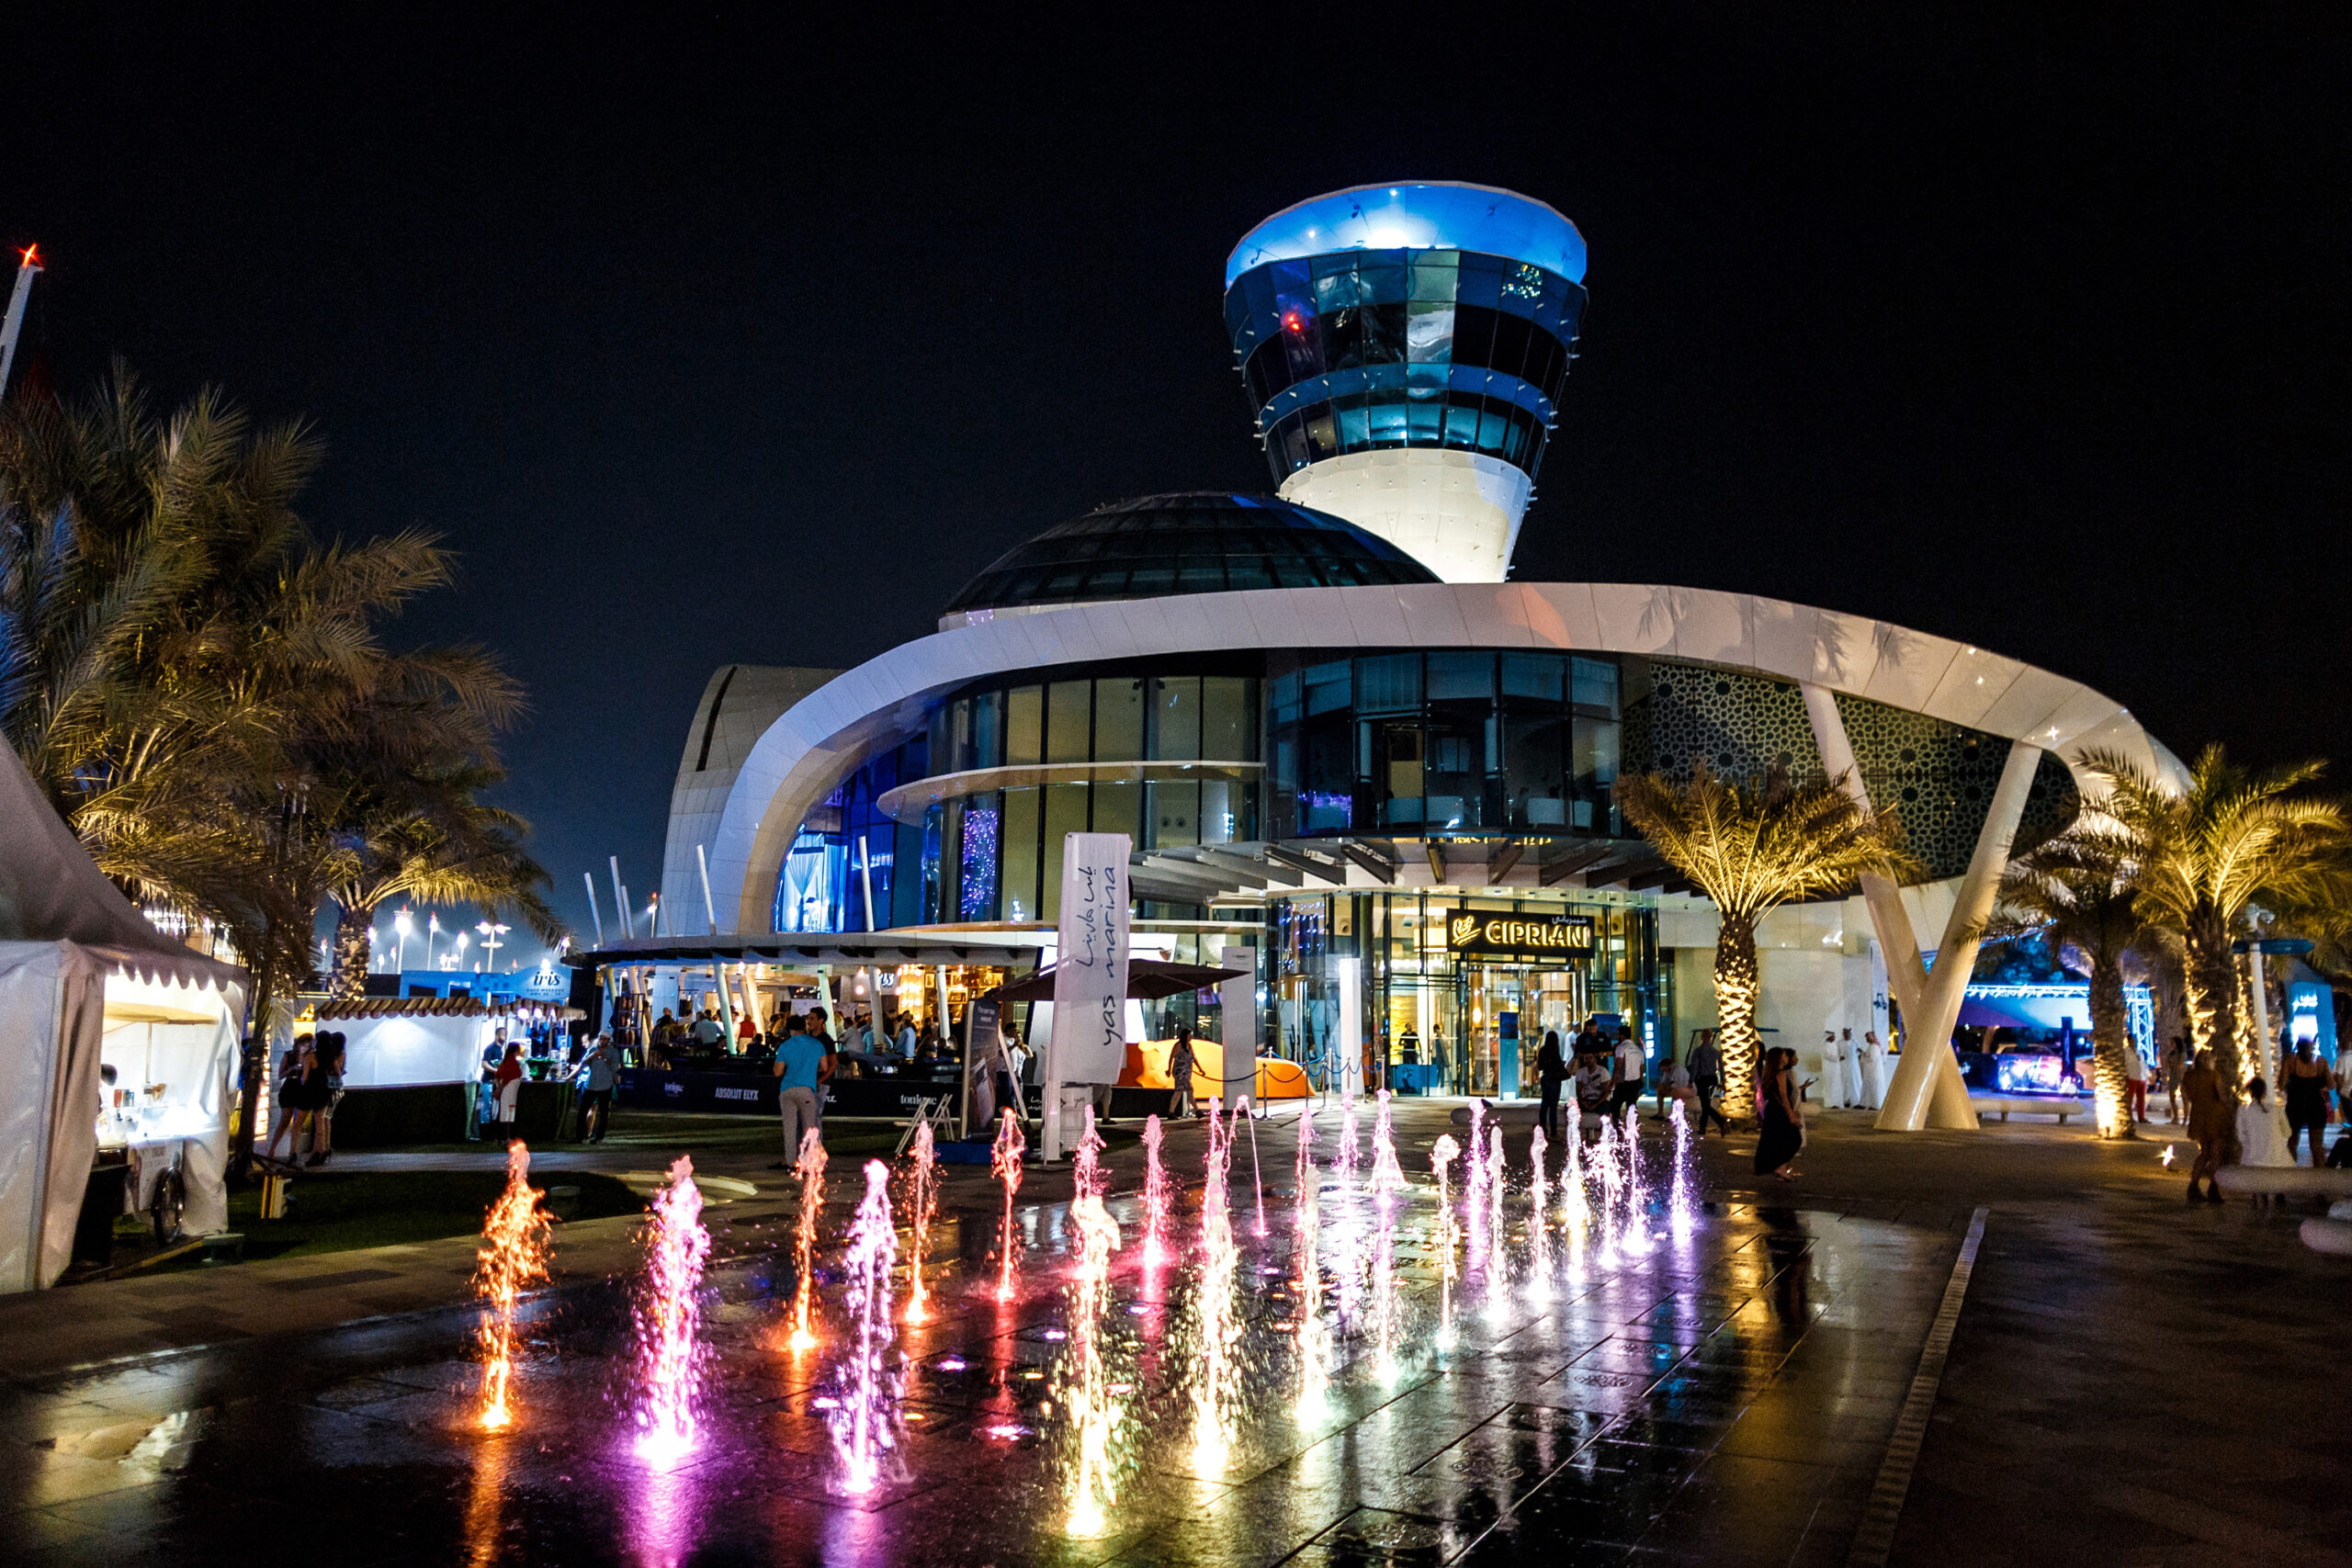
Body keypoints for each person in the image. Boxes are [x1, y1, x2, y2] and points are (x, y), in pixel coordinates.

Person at [771, 1013, 831, 1168]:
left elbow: (777, 1072)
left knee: (789, 1129)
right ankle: (809, 1163)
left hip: (788, 1089)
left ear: (789, 1029)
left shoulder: (786, 1045)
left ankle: (791, 1163)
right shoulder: (816, 1044)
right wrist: (809, 1070)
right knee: (809, 1128)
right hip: (807, 1089)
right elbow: (825, 1067)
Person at [2180, 1048, 2230, 1203]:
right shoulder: (2213, 1075)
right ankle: (2213, 1189)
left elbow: (2187, 1096)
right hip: (2214, 1115)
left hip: (2198, 1116)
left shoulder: (2189, 1076)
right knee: (2215, 1154)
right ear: (2207, 1061)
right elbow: (2220, 1095)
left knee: (2205, 1152)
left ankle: (2193, 1187)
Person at [2236, 1077, 2291, 1203]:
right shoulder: (2277, 1110)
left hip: (2254, 1159)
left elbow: (2241, 1137)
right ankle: (2279, 1192)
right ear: (2265, 1092)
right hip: (2277, 1159)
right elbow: (2288, 1132)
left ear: (2250, 1092)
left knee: (2253, 1157)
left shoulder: (2243, 1111)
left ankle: (2258, 1193)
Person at [1753, 1045, 1804, 1180]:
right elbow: (1783, 1095)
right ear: (1779, 1059)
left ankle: (1780, 1169)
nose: (1787, 1057)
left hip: (1772, 1110)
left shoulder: (1769, 1073)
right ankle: (1780, 1168)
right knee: (1794, 1138)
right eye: (1784, 1055)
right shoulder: (1780, 1073)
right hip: (1779, 1110)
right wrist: (1790, 1113)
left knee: (1777, 1139)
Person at [2281, 1040, 2331, 1167]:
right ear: (2311, 1047)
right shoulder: (2321, 1062)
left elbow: (2281, 1085)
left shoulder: (2290, 1061)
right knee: (2316, 1146)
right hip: (2316, 1105)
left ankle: (2292, 1178)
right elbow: (2332, 1084)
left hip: (2295, 1105)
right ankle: (2320, 1181)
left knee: (2292, 1143)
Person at [306, 1031, 345, 1166]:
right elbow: (339, 1073)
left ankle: (320, 1150)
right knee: (325, 1118)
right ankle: (324, 1148)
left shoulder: (315, 1056)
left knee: (321, 1120)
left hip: (319, 1089)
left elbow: (305, 1078)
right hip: (330, 1089)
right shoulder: (335, 1056)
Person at [573, 1032, 617, 1144]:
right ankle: (579, 1136)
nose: (602, 1041)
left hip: (605, 1086)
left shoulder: (613, 1052)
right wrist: (591, 1056)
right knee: (582, 1111)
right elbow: (583, 1063)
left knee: (603, 1113)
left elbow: (614, 1067)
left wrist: (605, 1058)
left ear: (608, 1040)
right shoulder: (592, 1050)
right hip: (591, 1085)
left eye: (604, 1039)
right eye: (600, 1039)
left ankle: (599, 1137)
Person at [1686, 1030, 1728, 1135]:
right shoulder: (1716, 1052)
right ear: (1711, 1037)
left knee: (1705, 1105)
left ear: (1702, 1037)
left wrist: (1691, 1080)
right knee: (1706, 1103)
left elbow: (1694, 1067)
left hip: (1702, 1079)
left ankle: (1721, 1121)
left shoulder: (1698, 1051)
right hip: (1713, 1079)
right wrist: (1723, 1081)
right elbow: (1722, 1068)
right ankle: (1702, 1127)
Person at [1535, 1029, 1568, 1140]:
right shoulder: (1555, 1051)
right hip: (1555, 1080)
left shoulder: (1543, 1050)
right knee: (1553, 1106)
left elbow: (1540, 1066)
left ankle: (1543, 1129)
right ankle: (1553, 1132)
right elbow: (1558, 1066)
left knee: (1544, 1105)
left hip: (1546, 1078)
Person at [1609, 1029, 1645, 1117]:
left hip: (1623, 1083)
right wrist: (1639, 1084)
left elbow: (1617, 1067)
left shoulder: (1621, 1048)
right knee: (1632, 1107)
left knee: (1615, 1106)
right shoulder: (1638, 1050)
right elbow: (1641, 1068)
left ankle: (1618, 1128)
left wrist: (1612, 1083)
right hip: (1635, 1083)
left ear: (1622, 1036)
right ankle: (1633, 1128)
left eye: (1618, 1035)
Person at [492, 1042, 526, 1129]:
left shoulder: (506, 1061)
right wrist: (499, 1089)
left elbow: (498, 1075)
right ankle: (504, 1136)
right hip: (508, 1090)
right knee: (506, 1112)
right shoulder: (510, 1062)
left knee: (507, 1111)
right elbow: (506, 1077)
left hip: (509, 1090)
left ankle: (504, 1136)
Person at [1168, 1026, 1197, 1118]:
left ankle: (1171, 1112)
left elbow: (1193, 1058)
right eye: (1190, 1035)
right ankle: (1197, 1109)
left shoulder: (1189, 1046)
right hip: (1180, 1072)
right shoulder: (1179, 1045)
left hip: (1187, 1072)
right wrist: (1169, 1069)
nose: (1191, 1037)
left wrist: (1200, 1069)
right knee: (1188, 1089)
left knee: (1180, 1091)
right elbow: (1171, 1057)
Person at [2122, 1035, 2151, 1124]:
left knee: (2141, 1099)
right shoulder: (2126, 1052)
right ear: (2129, 1041)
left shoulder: (2140, 1052)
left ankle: (2141, 1117)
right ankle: (2129, 1117)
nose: (2134, 1042)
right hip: (2132, 1077)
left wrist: (2149, 1075)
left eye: (2135, 1041)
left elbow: (2144, 1065)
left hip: (2142, 1078)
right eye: (2132, 1040)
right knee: (2130, 1099)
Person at [1859, 1030, 1889, 1111]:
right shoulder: (1871, 1046)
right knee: (1869, 1087)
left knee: (1875, 1088)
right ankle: (1867, 1103)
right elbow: (1869, 1056)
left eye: (1868, 1037)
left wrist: (1862, 1058)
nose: (1867, 1039)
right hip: (1870, 1071)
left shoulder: (1874, 1047)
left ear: (1872, 1037)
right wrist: (1863, 1053)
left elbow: (1871, 1059)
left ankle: (1876, 1105)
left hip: (1874, 1071)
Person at [2163, 1035, 2189, 1123]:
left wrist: (2172, 1065)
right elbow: (2168, 1064)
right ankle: (2176, 1118)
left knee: (2185, 1098)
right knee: (2172, 1097)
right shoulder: (2171, 1054)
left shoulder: (2182, 1053)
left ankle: (2185, 1119)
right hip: (2173, 1076)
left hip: (2182, 1076)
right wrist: (2172, 1066)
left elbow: (2180, 1066)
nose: (2171, 1044)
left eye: (2172, 1042)